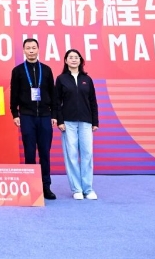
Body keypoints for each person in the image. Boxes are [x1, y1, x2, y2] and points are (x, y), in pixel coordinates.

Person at [9, 38, 57, 200]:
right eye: (28, 48)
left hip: (45, 116)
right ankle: (30, 186)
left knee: (45, 152)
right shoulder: (18, 71)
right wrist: (15, 114)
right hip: (27, 116)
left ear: (38, 49)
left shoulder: (47, 70)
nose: (31, 50)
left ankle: (46, 186)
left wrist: (54, 115)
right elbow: (14, 94)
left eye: (34, 48)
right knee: (29, 152)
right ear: (24, 50)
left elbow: (53, 94)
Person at [55, 49, 99, 200]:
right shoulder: (61, 79)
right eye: (70, 57)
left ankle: (88, 189)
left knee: (87, 154)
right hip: (68, 123)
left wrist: (95, 121)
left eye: (76, 57)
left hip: (86, 122)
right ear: (65, 60)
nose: (73, 59)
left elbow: (93, 101)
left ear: (80, 60)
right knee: (71, 155)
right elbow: (57, 102)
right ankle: (76, 189)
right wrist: (60, 121)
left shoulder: (87, 79)